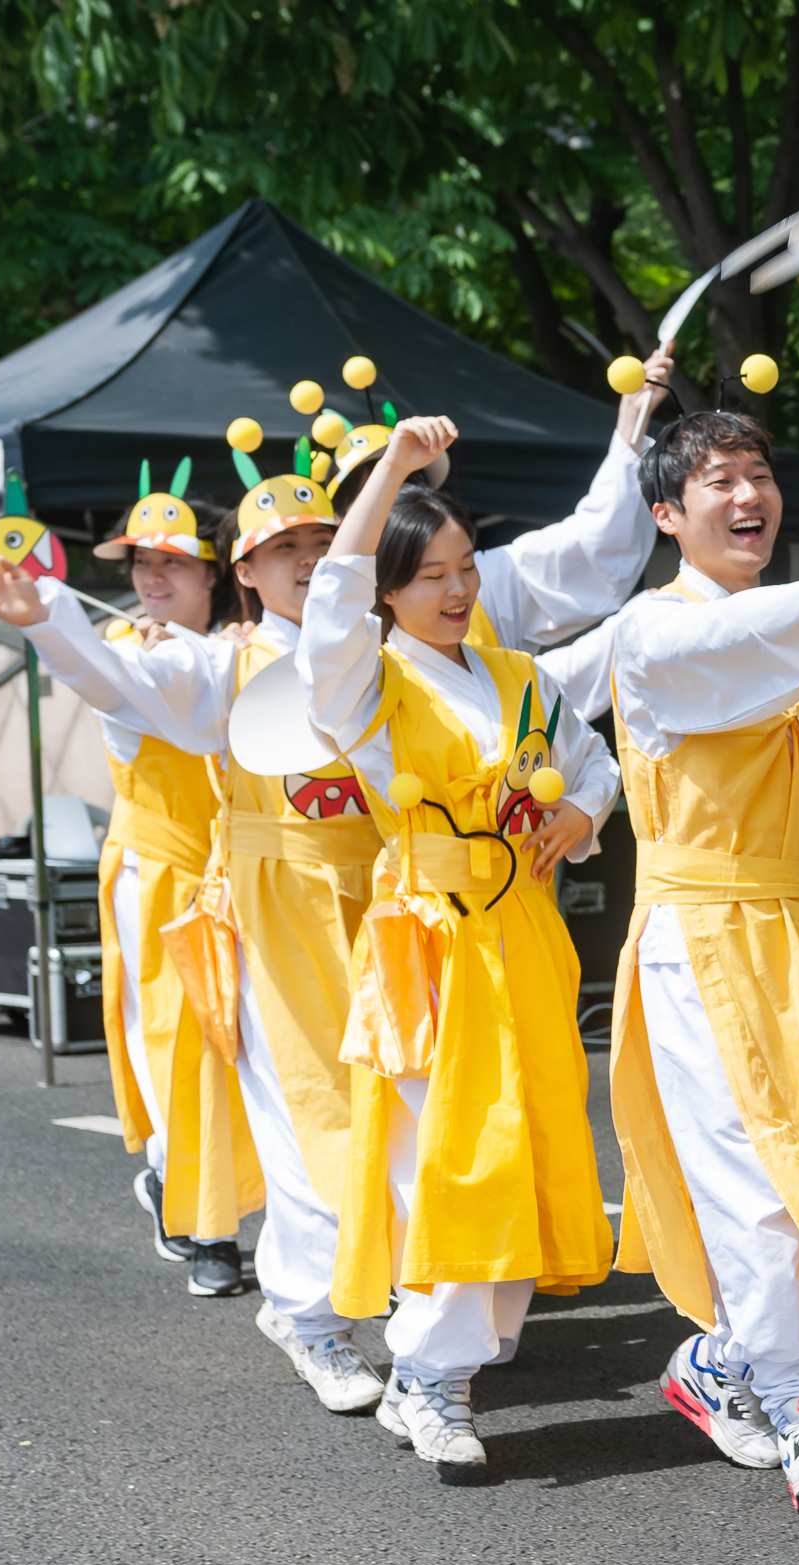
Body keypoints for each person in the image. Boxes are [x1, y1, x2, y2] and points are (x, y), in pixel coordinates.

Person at [0, 353, 671, 1417]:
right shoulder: (225, 665)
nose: (311, 558)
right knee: (317, 1114)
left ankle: (425, 1300)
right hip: (286, 911)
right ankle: (311, 1315)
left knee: (420, 1121)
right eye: (284, 547)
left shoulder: (434, 652)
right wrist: (46, 620)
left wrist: (632, 434)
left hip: (409, 906)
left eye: (326, 535)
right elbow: (118, 677)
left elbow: (580, 602)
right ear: (244, 571)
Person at [543, 409, 799, 1511]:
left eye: (758, 475)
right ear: (667, 513)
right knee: (758, 1183)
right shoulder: (654, 631)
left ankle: (722, 1363)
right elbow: (726, 657)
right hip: (704, 944)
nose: (746, 496)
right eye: (717, 481)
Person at [295, 414, 623, 1480]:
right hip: (429, 943)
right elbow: (330, 615)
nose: (455, 590)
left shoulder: (518, 672)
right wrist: (391, 468)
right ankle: (434, 1375)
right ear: (387, 589)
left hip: (522, 935)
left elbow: (591, 767)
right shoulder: (369, 684)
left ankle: (441, 1365)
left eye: (466, 568)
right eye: (429, 573)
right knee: (448, 1156)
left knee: (521, 1142)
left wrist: (580, 818)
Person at [0, 486, 264, 1297]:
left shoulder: (250, 647)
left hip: (253, 875)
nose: (152, 576)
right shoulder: (127, 646)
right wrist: (40, 615)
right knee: (178, 1044)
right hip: (160, 872)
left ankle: (220, 1198)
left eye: (172, 561)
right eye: (140, 562)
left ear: (217, 575)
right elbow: (107, 674)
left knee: (261, 1049)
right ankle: (205, 1224)